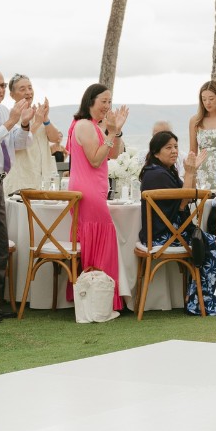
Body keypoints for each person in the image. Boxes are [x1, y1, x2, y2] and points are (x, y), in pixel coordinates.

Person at [65, 84, 129, 312]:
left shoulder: (95, 126)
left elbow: (112, 154)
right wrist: (111, 133)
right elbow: (94, 159)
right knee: (103, 240)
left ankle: (97, 297)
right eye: (104, 101)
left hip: (95, 190)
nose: (107, 106)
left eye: (110, 101)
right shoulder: (83, 125)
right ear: (90, 100)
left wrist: (116, 131)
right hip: (87, 191)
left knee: (101, 240)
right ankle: (99, 299)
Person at [0, 67, 35, 324]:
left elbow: (20, 144)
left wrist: (23, 123)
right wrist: (11, 122)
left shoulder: (4, 113)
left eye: (2, 85)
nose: (0, 90)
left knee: (0, 246)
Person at [138, 130, 198, 245]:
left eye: (176, 147)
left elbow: (189, 197)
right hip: (166, 237)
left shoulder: (164, 171)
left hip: (165, 235)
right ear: (156, 153)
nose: (174, 151)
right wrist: (189, 173)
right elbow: (183, 204)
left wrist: (192, 172)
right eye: (168, 148)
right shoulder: (158, 175)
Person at [4, 74, 61, 195]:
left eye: (30, 88)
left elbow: (56, 138)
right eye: (22, 89)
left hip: (44, 180)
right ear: (12, 95)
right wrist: (36, 124)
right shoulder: (10, 117)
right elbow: (16, 145)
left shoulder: (38, 113)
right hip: (22, 180)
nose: (28, 92)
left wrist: (45, 119)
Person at [189, 81, 216, 192]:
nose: (207, 103)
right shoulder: (195, 121)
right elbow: (192, 152)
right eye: (204, 99)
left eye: (211, 99)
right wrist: (191, 176)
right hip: (203, 173)